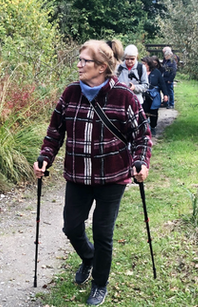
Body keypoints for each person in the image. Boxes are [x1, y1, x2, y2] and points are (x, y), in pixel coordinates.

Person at [33, 39, 152, 306]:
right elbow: (55, 133)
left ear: (101, 67)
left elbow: (142, 136)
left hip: (112, 177)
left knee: (103, 233)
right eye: (79, 59)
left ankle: (99, 283)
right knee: (71, 227)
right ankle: (89, 258)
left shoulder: (124, 96)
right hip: (78, 175)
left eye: (84, 61)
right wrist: (45, 157)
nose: (79, 65)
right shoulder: (70, 93)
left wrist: (141, 162)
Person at [141, 56, 169, 135]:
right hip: (143, 95)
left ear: (149, 64)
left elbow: (162, 84)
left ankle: (153, 127)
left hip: (154, 95)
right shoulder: (140, 72)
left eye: (144, 64)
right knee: (143, 112)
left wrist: (165, 95)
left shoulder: (156, 72)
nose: (142, 66)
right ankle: (144, 129)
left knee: (153, 112)